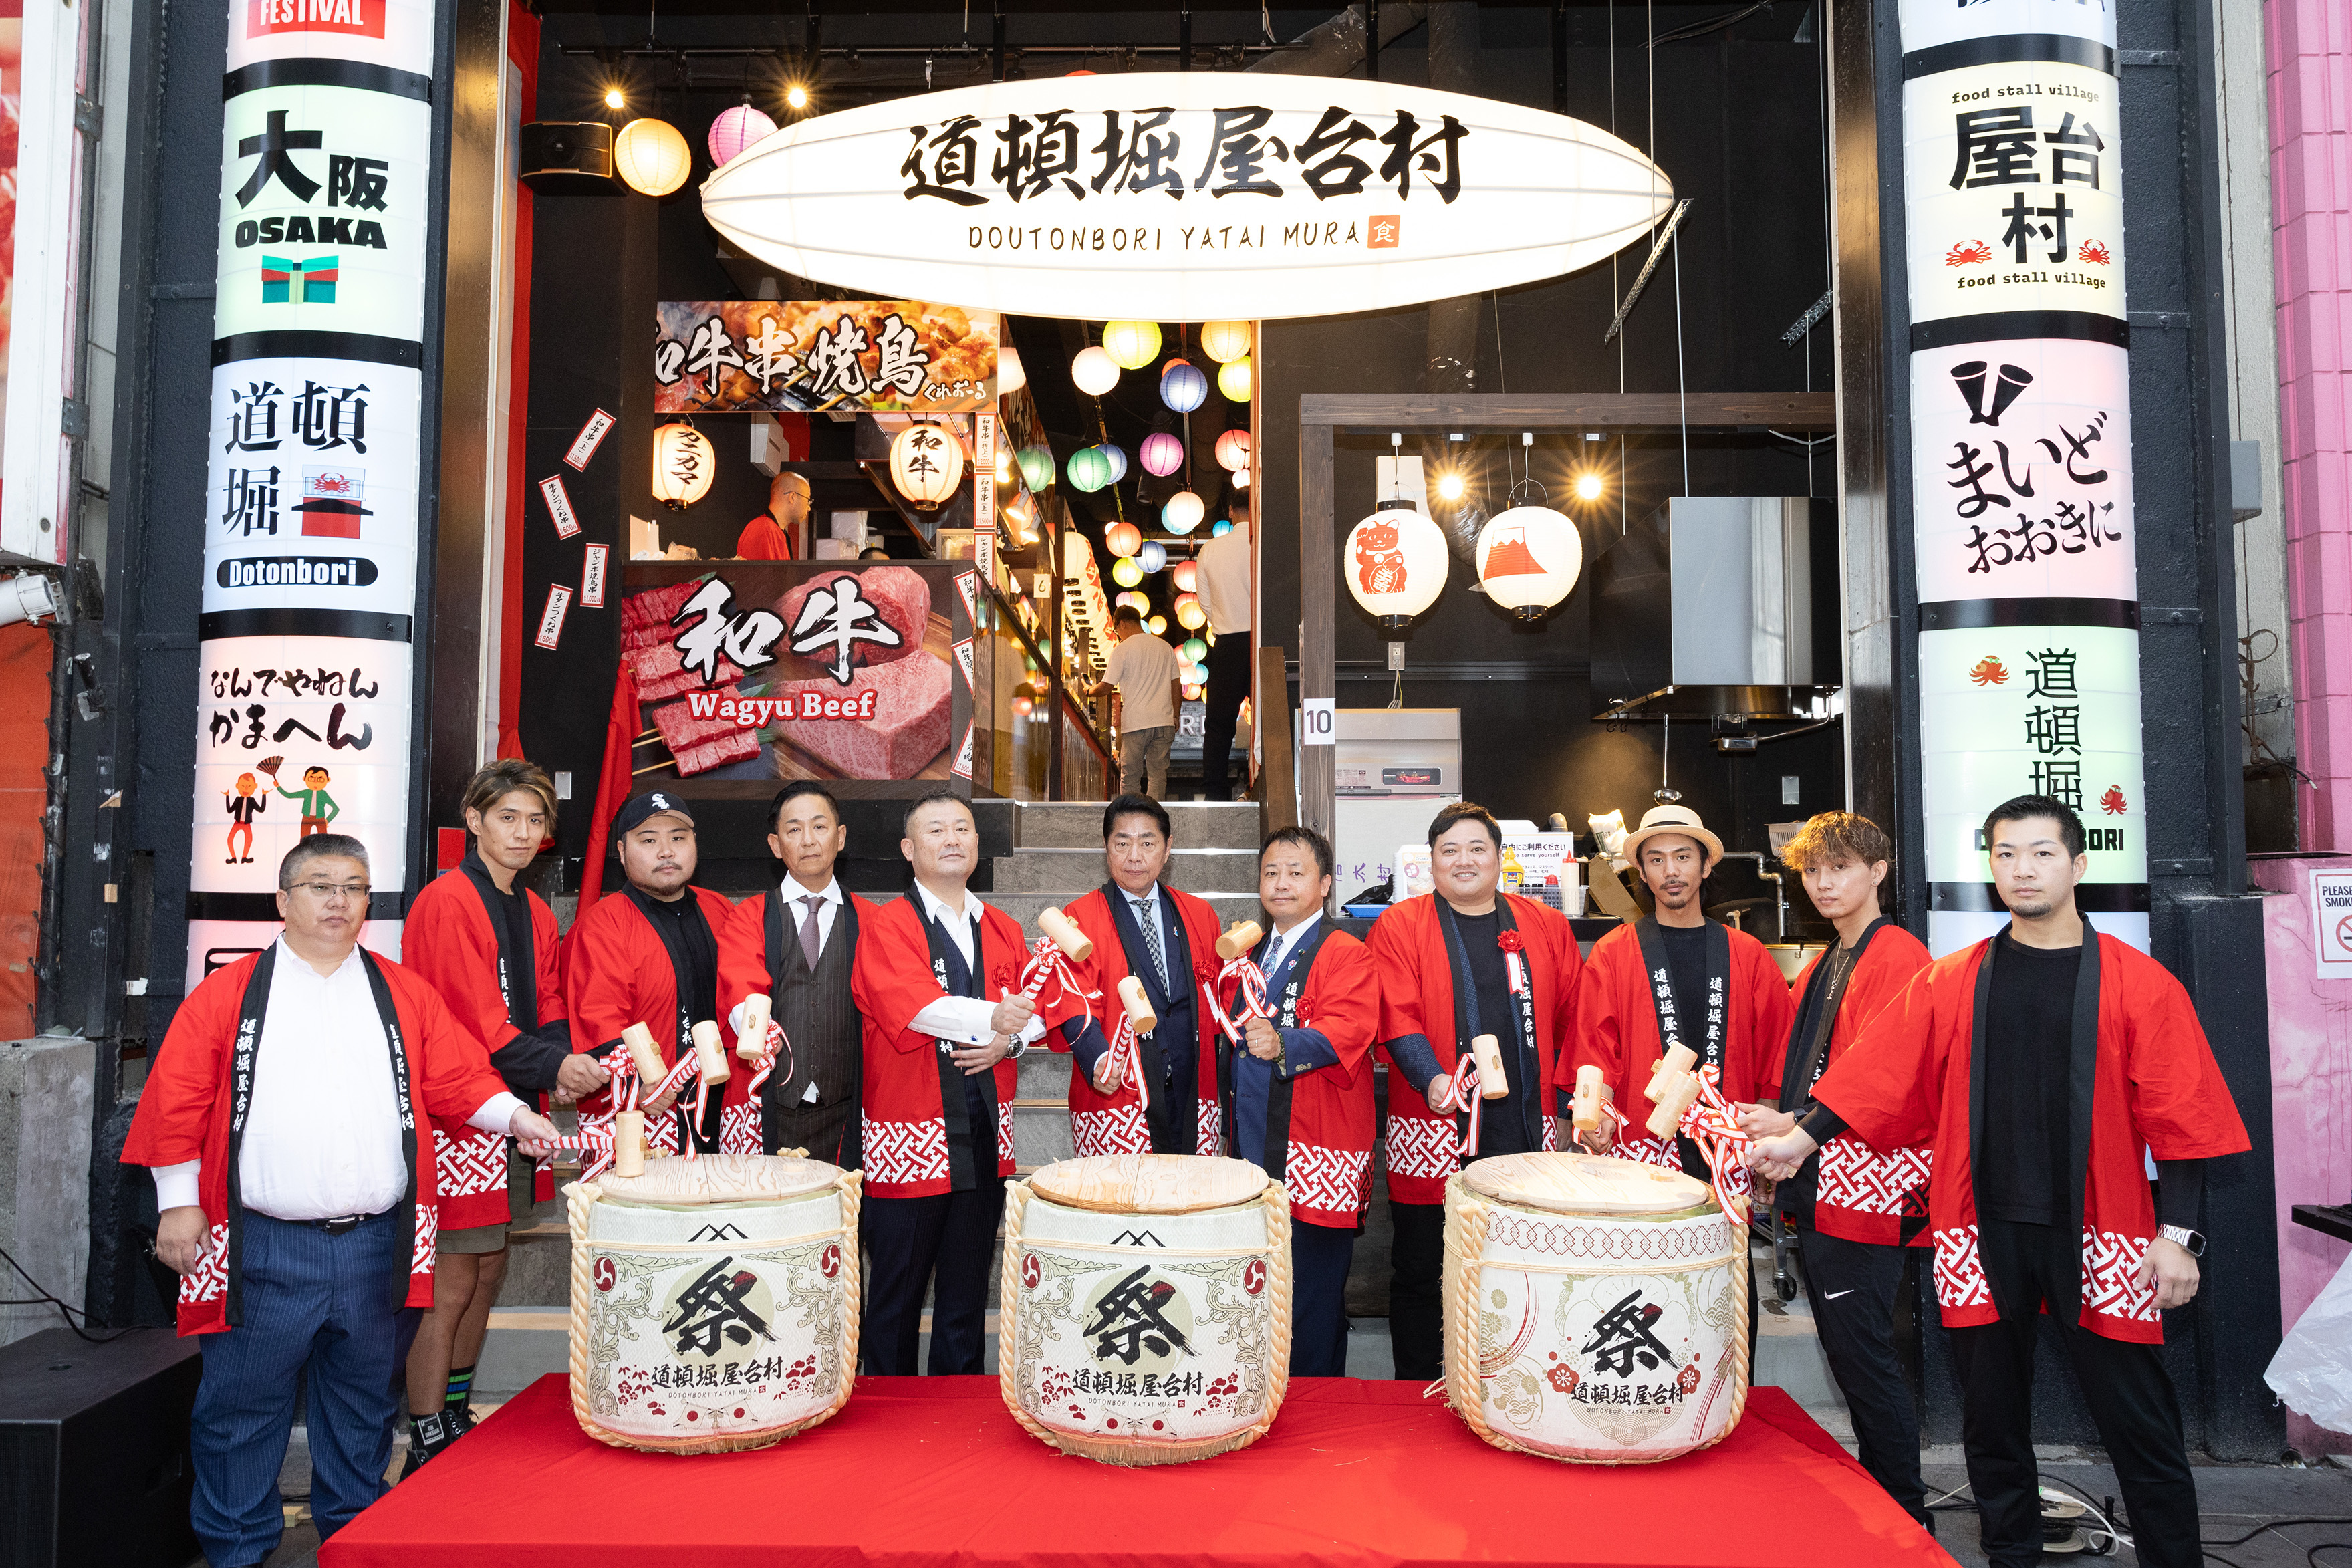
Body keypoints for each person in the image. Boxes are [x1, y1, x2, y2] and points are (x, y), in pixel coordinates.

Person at [1749, 797, 2250, 1568]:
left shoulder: (2140, 984)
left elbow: (2181, 1116)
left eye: (2042, 854)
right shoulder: (1953, 980)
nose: (2023, 868)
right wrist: (1798, 1138)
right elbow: (1877, 1075)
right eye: (2007, 854)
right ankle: (2011, 1555)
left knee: (2141, 1426)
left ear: (2078, 867)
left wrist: (2178, 1236)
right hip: (1977, 1231)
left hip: (2103, 1230)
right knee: (1990, 1426)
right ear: (1991, 867)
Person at [123, 835, 559, 1568]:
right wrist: (176, 1201)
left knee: (361, 1409)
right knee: (241, 1410)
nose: (337, 901)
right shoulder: (230, 994)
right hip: (262, 1243)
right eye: (320, 886)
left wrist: (518, 1117)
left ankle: (354, 1544)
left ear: (368, 903)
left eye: (353, 888)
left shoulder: (401, 991)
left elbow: (459, 1078)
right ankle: (238, 1551)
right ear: (283, 901)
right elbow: (177, 1097)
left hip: (374, 1244)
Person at [397, 760, 607, 1471]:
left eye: (535, 820)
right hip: (460, 1109)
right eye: (508, 818)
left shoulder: (537, 909)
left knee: (489, 1270)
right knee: (454, 1276)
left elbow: (547, 1002)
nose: (522, 832)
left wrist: (567, 1067)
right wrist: (555, 1069)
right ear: (475, 820)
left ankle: (456, 1407)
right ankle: (424, 1430)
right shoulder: (448, 900)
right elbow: (468, 1018)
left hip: (516, 1108)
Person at [1731, 811, 1934, 1527]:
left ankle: (1905, 1510)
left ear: (1878, 873)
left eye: (1840, 868)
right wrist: (1783, 1119)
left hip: (1870, 1182)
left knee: (1864, 1352)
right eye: (1813, 871)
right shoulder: (1831, 957)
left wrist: (1799, 1127)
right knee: (1853, 1352)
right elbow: (1818, 1070)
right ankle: (1889, 1499)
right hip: (1827, 1171)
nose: (1823, 882)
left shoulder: (1897, 954)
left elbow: (1888, 1070)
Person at [1369, 801, 1582, 1382]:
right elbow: (1396, 1014)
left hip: (1524, 1122)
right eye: (1449, 851)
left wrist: (1567, 1106)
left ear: (1499, 859)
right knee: (1422, 1264)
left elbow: (1572, 1021)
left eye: (1476, 849)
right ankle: (1417, 1385)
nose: (1464, 861)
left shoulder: (1544, 925)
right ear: (1431, 863)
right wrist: (1431, 1075)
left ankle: (1512, 1382)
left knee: (1521, 1261)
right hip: (1435, 1119)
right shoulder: (1401, 924)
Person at [850, 791, 1060, 1374]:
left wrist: (1009, 1041)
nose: (951, 839)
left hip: (985, 1132)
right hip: (909, 1133)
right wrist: (993, 1017)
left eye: (962, 829)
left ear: (976, 843)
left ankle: (957, 1407)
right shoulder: (887, 923)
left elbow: (1039, 1009)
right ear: (908, 849)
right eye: (936, 830)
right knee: (897, 1290)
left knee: (967, 1291)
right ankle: (888, 1410)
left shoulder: (1001, 927)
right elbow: (910, 1006)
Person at [1555, 803, 1795, 1172]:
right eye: (1656, 860)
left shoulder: (1748, 955)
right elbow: (1595, 1046)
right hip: (1642, 1140)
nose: (1671, 871)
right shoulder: (1614, 952)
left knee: (1725, 1231)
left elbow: (1777, 1049)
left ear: (1706, 865)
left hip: (1728, 1140)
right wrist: (1597, 1112)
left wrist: (1771, 1135)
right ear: (1642, 872)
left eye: (1683, 857)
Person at [1232, 825, 1377, 1376]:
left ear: (1324, 884)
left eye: (1295, 872)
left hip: (1318, 1144)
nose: (1281, 883)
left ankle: (1319, 1405)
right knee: (1258, 1283)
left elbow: (1350, 1027)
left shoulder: (1346, 952)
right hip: (1254, 1140)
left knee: (1313, 1287)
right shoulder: (1250, 953)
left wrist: (1285, 1040)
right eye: (1271, 872)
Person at [561, 792, 743, 1154]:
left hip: (723, 1109)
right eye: (648, 840)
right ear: (621, 850)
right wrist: (638, 1083)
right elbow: (599, 1019)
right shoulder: (603, 924)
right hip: (645, 1111)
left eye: (678, 838)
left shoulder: (720, 909)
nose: (666, 851)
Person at [717, 781, 882, 1164]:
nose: (808, 840)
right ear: (776, 845)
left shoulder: (874, 921)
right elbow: (739, 981)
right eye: (794, 830)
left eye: (820, 827)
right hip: (767, 1105)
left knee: (842, 1218)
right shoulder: (750, 916)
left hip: (847, 1108)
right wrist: (756, 1030)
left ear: (840, 837)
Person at [1053, 795, 1226, 1157]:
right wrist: (1098, 1057)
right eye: (1122, 843)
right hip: (1118, 1089)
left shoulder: (1200, 915)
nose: (1135, 855)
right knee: (1120, 1206)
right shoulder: (1079, 917)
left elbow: (1221, 1000)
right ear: (1107, 848)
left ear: (1167, 850)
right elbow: (1072, 997)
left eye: (1147, 843)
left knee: (1190, 1202)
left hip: (1192, 1086)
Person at [1192, 503, 1253, 801]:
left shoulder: (1211, 550)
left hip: (1228, 643)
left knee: (1219, 724)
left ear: (1231, 510)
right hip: (1262, 644)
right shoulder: (1262, 545)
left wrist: (1222, 619)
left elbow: (1205, 602)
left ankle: (1215, 793)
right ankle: (1269, 777)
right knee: (1269, 720)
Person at [1103, 606, 1181, 799]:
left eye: (1116, 630)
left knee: (1130, 777)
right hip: (1164, 722)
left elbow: (1106, 686)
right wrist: (1176, 716)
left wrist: (1088, 691)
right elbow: (1176, 686)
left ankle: (1131, 817)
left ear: (1121, 624)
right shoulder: (1165, 647)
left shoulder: (1122, 650)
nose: (1118, 634)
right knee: (1157, 777)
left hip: (1136, 723)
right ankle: (1153, 820)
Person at [737, 469, 811, 560]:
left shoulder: (774, 531)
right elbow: (758, 574)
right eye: (808, 500)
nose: (809, 508)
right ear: (792, 497)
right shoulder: (763, 528)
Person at [224, 773, 264, 863]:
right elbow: (230, 810)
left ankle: (244, 857)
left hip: (247, 823)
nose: (246, 789)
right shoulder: (238, 799)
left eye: (249, 786)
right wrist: (227, 797)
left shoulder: (252, 801)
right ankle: (233, 857)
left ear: (255, 786)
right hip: (237, 822)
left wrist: (264, 795)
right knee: (230, 839)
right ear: (237, 786)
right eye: (243, 786)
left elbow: (261, 809)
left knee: (249, 839)